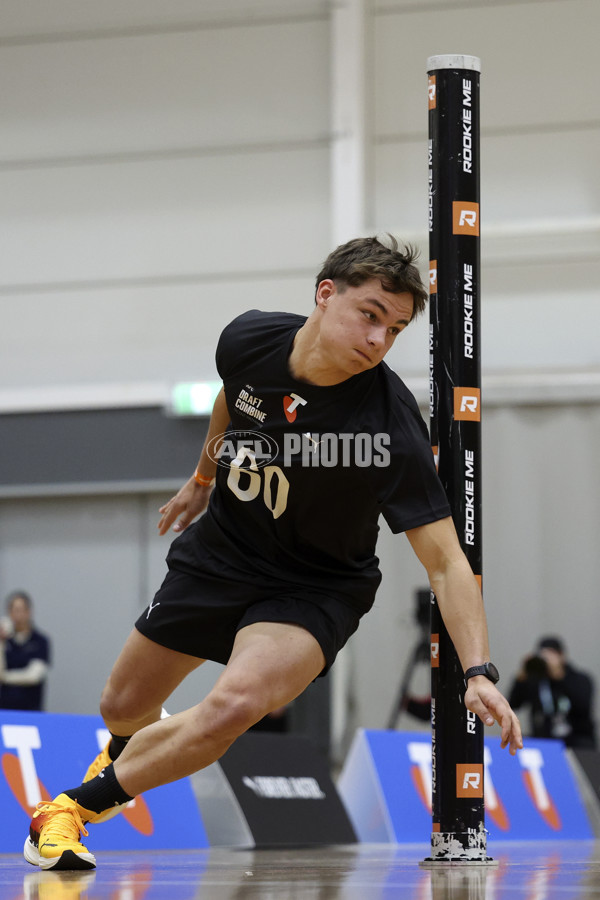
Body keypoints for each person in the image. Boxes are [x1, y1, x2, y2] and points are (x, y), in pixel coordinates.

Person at [23, 235, 522, 871]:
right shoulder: (249, 339)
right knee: (120, 706)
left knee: (233, 705)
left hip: (315, 586)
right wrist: (202, 479)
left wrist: (478, 671)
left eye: (394, 329)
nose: (378, 340)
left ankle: (69, 810)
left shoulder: (389, 425)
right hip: (223, 553)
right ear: (325, 294)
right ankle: (131, 749)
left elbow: (448, 562)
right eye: (370, 314)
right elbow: (233, 402)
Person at [509, 636, 596, 748]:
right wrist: (521, 678)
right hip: (545, 742)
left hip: (577, 742)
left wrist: (559, 677)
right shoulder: (537, 681)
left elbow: (583, 706)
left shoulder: (580, 679)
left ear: (561, 656)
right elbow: (513, 704)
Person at [0, 590, 51, 711]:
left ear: (29, 611)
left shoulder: (40, 641)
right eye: (13, 610)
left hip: (30, 709)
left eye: (20, 610)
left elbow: (34, 676)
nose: (17, 615)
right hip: (4, 708)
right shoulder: (5, 641)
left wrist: (5, 677)